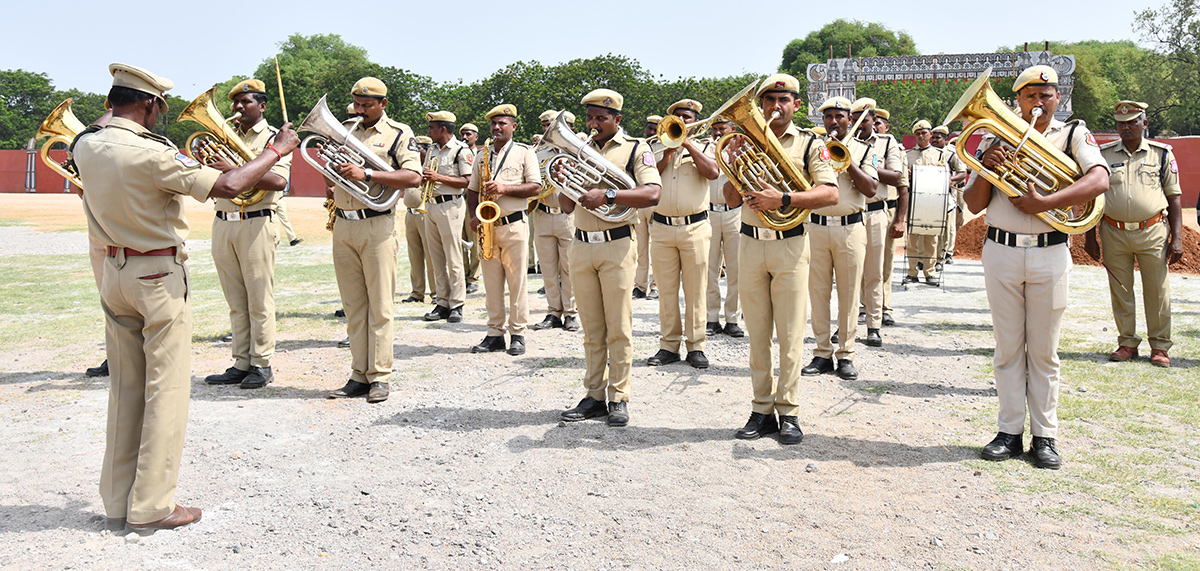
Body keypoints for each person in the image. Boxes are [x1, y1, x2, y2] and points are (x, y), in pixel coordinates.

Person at [75, 63, 299, 531]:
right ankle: (153, 506)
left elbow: (101, 136)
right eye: (160, 106)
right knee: (166, 391)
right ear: (149, 103)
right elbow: (233, 185)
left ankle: (118, 501)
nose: (163, 114)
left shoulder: (85, 145)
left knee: (126, 390)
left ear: (111, 100)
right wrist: (277, 149)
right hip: (156, 274)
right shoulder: (151, 152)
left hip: (113, 273)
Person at [964, 65, 1109, 470]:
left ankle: (1045, 436)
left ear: (1057, 98)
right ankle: (1008, 431)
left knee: (1044, 352)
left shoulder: (1072, 133)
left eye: (1046, 95)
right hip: (1001, 250)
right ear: (1018, 101)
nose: (1039, 102)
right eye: (1031, 96)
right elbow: (975, 205)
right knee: (1008, 348)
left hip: (1050, 250)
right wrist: (984, 166)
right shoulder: (995, 136)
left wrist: (1045, 203)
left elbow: (1099, 180)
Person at [724, 74, 838, 444]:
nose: (775, 106)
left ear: (796, 104)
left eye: (783, 100)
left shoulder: (809, 144)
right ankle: (760, 409)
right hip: (750, 243)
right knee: (757, 333)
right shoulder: (746, 141)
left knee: (789, 334)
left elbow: (830, 195)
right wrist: (734, 160)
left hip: (790, 243)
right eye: (769, 100)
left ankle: (788, 412)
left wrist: (784, 200)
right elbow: (728, 198)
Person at [560, 88, 661, 427]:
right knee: (591, 327)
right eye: (589, 118)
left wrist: (609, 193)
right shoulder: (582, 150)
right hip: (581, 244)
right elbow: (564, 206)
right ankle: (593, 395)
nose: (593, 124)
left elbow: (652, 194)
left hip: (617, 244)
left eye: (600, 118)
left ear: (617, 119)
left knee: (618, 326)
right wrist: (564, 179)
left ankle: (618, 396)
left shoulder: (637, 148)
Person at [324, 77, 422, 404]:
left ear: (383, 104)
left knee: (379, 305)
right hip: (344, 224)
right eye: (357, 103)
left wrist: (366, 174)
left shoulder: (399, 133)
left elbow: (412, 177)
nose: (360, 110)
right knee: (354, 306)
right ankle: (358, 374)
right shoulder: (346, 129)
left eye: (367, 105)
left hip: (377, 225)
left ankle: (379, 376)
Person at [201, 79, 292, 390]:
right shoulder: (226, 136)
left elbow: (279, 182)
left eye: (246, 102)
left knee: (258, 299)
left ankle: (262, 363)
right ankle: (241, 361)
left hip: (256, 221)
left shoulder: (276, 138)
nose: (238, 108)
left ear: (262, 106)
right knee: (235, 299)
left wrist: (233, 167)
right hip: (223, 222)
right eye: (235, 103)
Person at [1085, 100, 1182, 367]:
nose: (1125, 127)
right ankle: (1127, 342)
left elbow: (1174, 198)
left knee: (1157, 290)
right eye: (1120, 123)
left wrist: (1178, 238)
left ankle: (1160, 347)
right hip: (1113, 231)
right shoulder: (1103, 155)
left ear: (1144, 124)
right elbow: (1093, 197)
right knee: (1121, 289)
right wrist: (1090, 236)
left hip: (1152, 231)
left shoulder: (1161, 154)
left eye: (1131, 122)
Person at [801, 97, 878, 381]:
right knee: (818, 293)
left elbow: (870, 188)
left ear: (850, 118)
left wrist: (847, 159)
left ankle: (846, 354)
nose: (834, 121)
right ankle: (821, 353)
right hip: (816, 227)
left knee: (848, 294)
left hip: (850, 228)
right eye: (828, 117)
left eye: (839, 116)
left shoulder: (865, 149)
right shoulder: (813, 147)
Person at [647, 99, 720, 369]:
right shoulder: (653, 147)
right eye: (677, 117)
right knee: (666, 291)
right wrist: (666, 155)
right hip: (662, 227)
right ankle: (668, 345)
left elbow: (713, 172)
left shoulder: (707, 147)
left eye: (687, 117)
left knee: (695, 290)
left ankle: (696, 346)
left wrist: (688, 144)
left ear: (696, 122)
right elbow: (645, 180)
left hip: (695, 227)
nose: (682, 121)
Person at [466, 104, 542, 355]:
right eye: (494, 124)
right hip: (488, 227)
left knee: (517, 282)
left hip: (513, 225)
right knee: (492, 283)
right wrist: (472, 217)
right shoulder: (481, 155)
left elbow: (535, 187)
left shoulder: (524, 152)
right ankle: (495, 333)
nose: (497, 128)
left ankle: (518, 333)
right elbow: (472, 191)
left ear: (514, 127)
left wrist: (504, 188)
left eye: (502, 123)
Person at [857, 102, 907, 347]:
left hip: (878, 210)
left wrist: (868, 168)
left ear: (873, 119)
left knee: (878, 268)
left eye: (864, 120)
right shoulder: (847, 141)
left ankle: (876, 318)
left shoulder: (887, 143)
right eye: (853, 119)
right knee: (852, 270)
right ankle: (855, 314)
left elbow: (899, 179)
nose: (859, 125)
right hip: (853, 211)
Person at [420, 111, 472, 323]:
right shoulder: (431, 149)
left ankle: (457, 303)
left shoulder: (461, 149)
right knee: (436, 257)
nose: (428, 131)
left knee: (453, 256)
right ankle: (442, 301)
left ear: (443, 129)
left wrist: (438, 177)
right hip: (431, 205)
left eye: (432, 128)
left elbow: (467, 180)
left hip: (451, 205)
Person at [532, 110, 580, 332]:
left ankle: (570, 312)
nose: (545, 130)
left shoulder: (577, 151)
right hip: (542, 213)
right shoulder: (537, 152)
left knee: (569, 267)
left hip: (567, 216)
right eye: (543, 125)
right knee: (548, 268)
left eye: (550, 125)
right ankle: (553, 312)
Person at [904, 120, 955, 286]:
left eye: (924, 133)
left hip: (932, 201)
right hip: (913, 200)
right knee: (912, 239)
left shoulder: (939, 154)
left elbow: (945, 176)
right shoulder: (908, 155)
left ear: (930, 135)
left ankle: (929, 272)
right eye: (918, 134)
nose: (921, 136)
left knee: (931, 239)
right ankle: (911, 272)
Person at [705, 116, 744, 337]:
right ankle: (711, 317)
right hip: (709, 211)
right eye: (716, 129)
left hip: (734, 213)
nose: (718, 133)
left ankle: (733, 318)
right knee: (710, 269)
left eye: (723, 128)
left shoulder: (741, 149)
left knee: (735, 269)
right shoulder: (706, 149)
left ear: (732, 129)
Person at [873, 109, 906, 326]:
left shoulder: (889, 145)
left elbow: (903, 187)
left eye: (878, 123)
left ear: (886, 127)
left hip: (886, 209)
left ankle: (884, 307)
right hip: (862, 210)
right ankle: (864, 306)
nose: (874, 126)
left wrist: (900, 219)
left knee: (884, 263)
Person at [401, 138, 436, 307]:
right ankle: (417, 292)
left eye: (419, 148)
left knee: (431, 255)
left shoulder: (430, 167)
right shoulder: (410, 166)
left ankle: (436, 293)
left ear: (426, 150)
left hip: (425, 213)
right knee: (414, 255)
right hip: (410, 214)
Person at [632, 115, 661, 300]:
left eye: (655, 130)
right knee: (640, 248)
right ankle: (640, 286)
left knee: (657, 248)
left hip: (658, 203)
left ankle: (656, 285)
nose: (651, 133)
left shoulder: (666, 146)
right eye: (649, 129)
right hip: (639, 202)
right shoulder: (637, 147)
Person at [931, 125, 968, 266]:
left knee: (949, 226)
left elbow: (962, 172)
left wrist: (949, 180)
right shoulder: (928, 153)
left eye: (937, 138)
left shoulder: (952, 154)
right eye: (933, 137)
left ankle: (947, 253)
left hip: (949, 195)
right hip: (932, 195)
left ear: (945, 139)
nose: (934, 140)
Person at [459, 123, 482, 295]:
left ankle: (473, 278)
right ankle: (463, 276)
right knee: (461, 242)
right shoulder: (458, 153)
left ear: (476, 137)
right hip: (459, 202)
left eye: (468, 134)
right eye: (463, 135)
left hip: (473, 203)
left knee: (475, 243)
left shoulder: (480, 155)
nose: (465, 137)